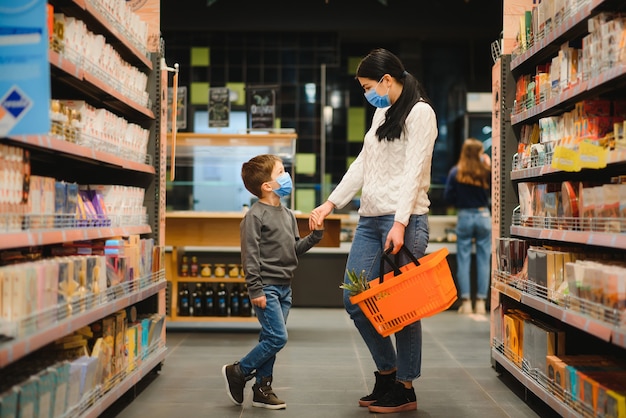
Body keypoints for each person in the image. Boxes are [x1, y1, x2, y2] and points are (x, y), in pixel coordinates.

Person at [309, 48, 438, 414]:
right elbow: (364, 163)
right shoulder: (383, 111)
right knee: (354, 299)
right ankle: (387, 370)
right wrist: (331, 203)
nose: (367, 94)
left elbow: (414, 171)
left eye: (368, 86)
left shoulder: (421, 112)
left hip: (406, 220)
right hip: (369, 221)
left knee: (403, 307)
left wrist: (399, 222)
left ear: (386, 79)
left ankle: (405, 386)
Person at [222, 154, 324, 409]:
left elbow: (294, 249)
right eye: (281, 172)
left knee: (270, 337)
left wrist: (316, 235)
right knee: (278, 337)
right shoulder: (254, 217)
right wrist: (255, 288)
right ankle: (238, 371)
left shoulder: (288, 214)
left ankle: (261, 389)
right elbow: (250, 257)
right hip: (265, 287)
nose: (287, 175)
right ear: (267, 186)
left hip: (284, 287)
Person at [443, 138, 492, 315]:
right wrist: (489, 165)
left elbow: (447, 197)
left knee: (463, 260)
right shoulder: (485, 171)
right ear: (479, 153)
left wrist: (461, 202)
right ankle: (480, 302)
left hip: (464, 215)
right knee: (484, 260)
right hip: (483, 216)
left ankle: (466, 302)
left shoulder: (456, 172)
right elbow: (496, 190)